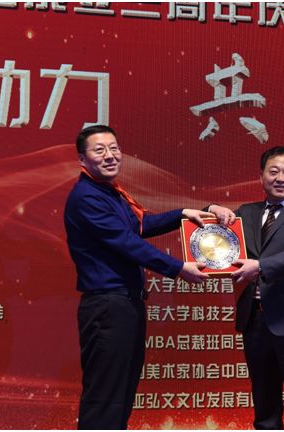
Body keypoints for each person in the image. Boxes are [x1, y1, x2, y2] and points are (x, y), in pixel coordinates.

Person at [63, 125, 230, 429]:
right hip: (108, 306)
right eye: (99, 150)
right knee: (106, 396)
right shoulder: (87, 197)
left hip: (124, 305)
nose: (110, 155)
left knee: (121, 392)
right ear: (82, 160)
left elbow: (141, 225)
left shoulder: (109, 193)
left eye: (114, 148)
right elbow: (127, 242)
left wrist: (185, 213)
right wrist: (178, 268)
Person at [213, 146, 284, 429]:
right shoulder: (246, 213)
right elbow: (210, 231)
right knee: (264, 405)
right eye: (273, 171)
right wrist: (212, 210)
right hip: (255, 320)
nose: (280, 178)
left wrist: (260, 266)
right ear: (261, 176)